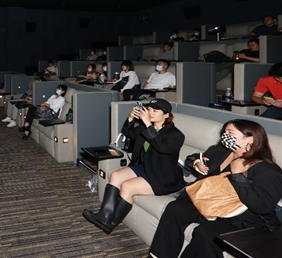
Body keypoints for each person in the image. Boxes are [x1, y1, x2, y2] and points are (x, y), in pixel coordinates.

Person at [148, 119, 282, 258]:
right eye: (225, 132)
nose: (225, 135)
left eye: (230, 132)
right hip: (215, 203)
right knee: (175, 209)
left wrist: (237, 175)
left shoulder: (267, 169)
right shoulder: (221, 151)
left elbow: (261, 206)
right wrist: (196, 162)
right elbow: (194, 158)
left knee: (206, 232)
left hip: (244, 220)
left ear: (250, 139)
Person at [83, 99, 185, 235]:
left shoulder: (176, 135)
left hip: (163, 176)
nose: (150, 113)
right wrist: (131, 118)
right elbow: (127, 131)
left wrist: (148, 124)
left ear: (166, 115)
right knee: (115, 175)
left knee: (127, 186)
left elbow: (162, 147)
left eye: (155, 111)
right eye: (149, 110)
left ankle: (110, 224)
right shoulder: (146, 128)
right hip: (146, 167)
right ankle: (104, 216)